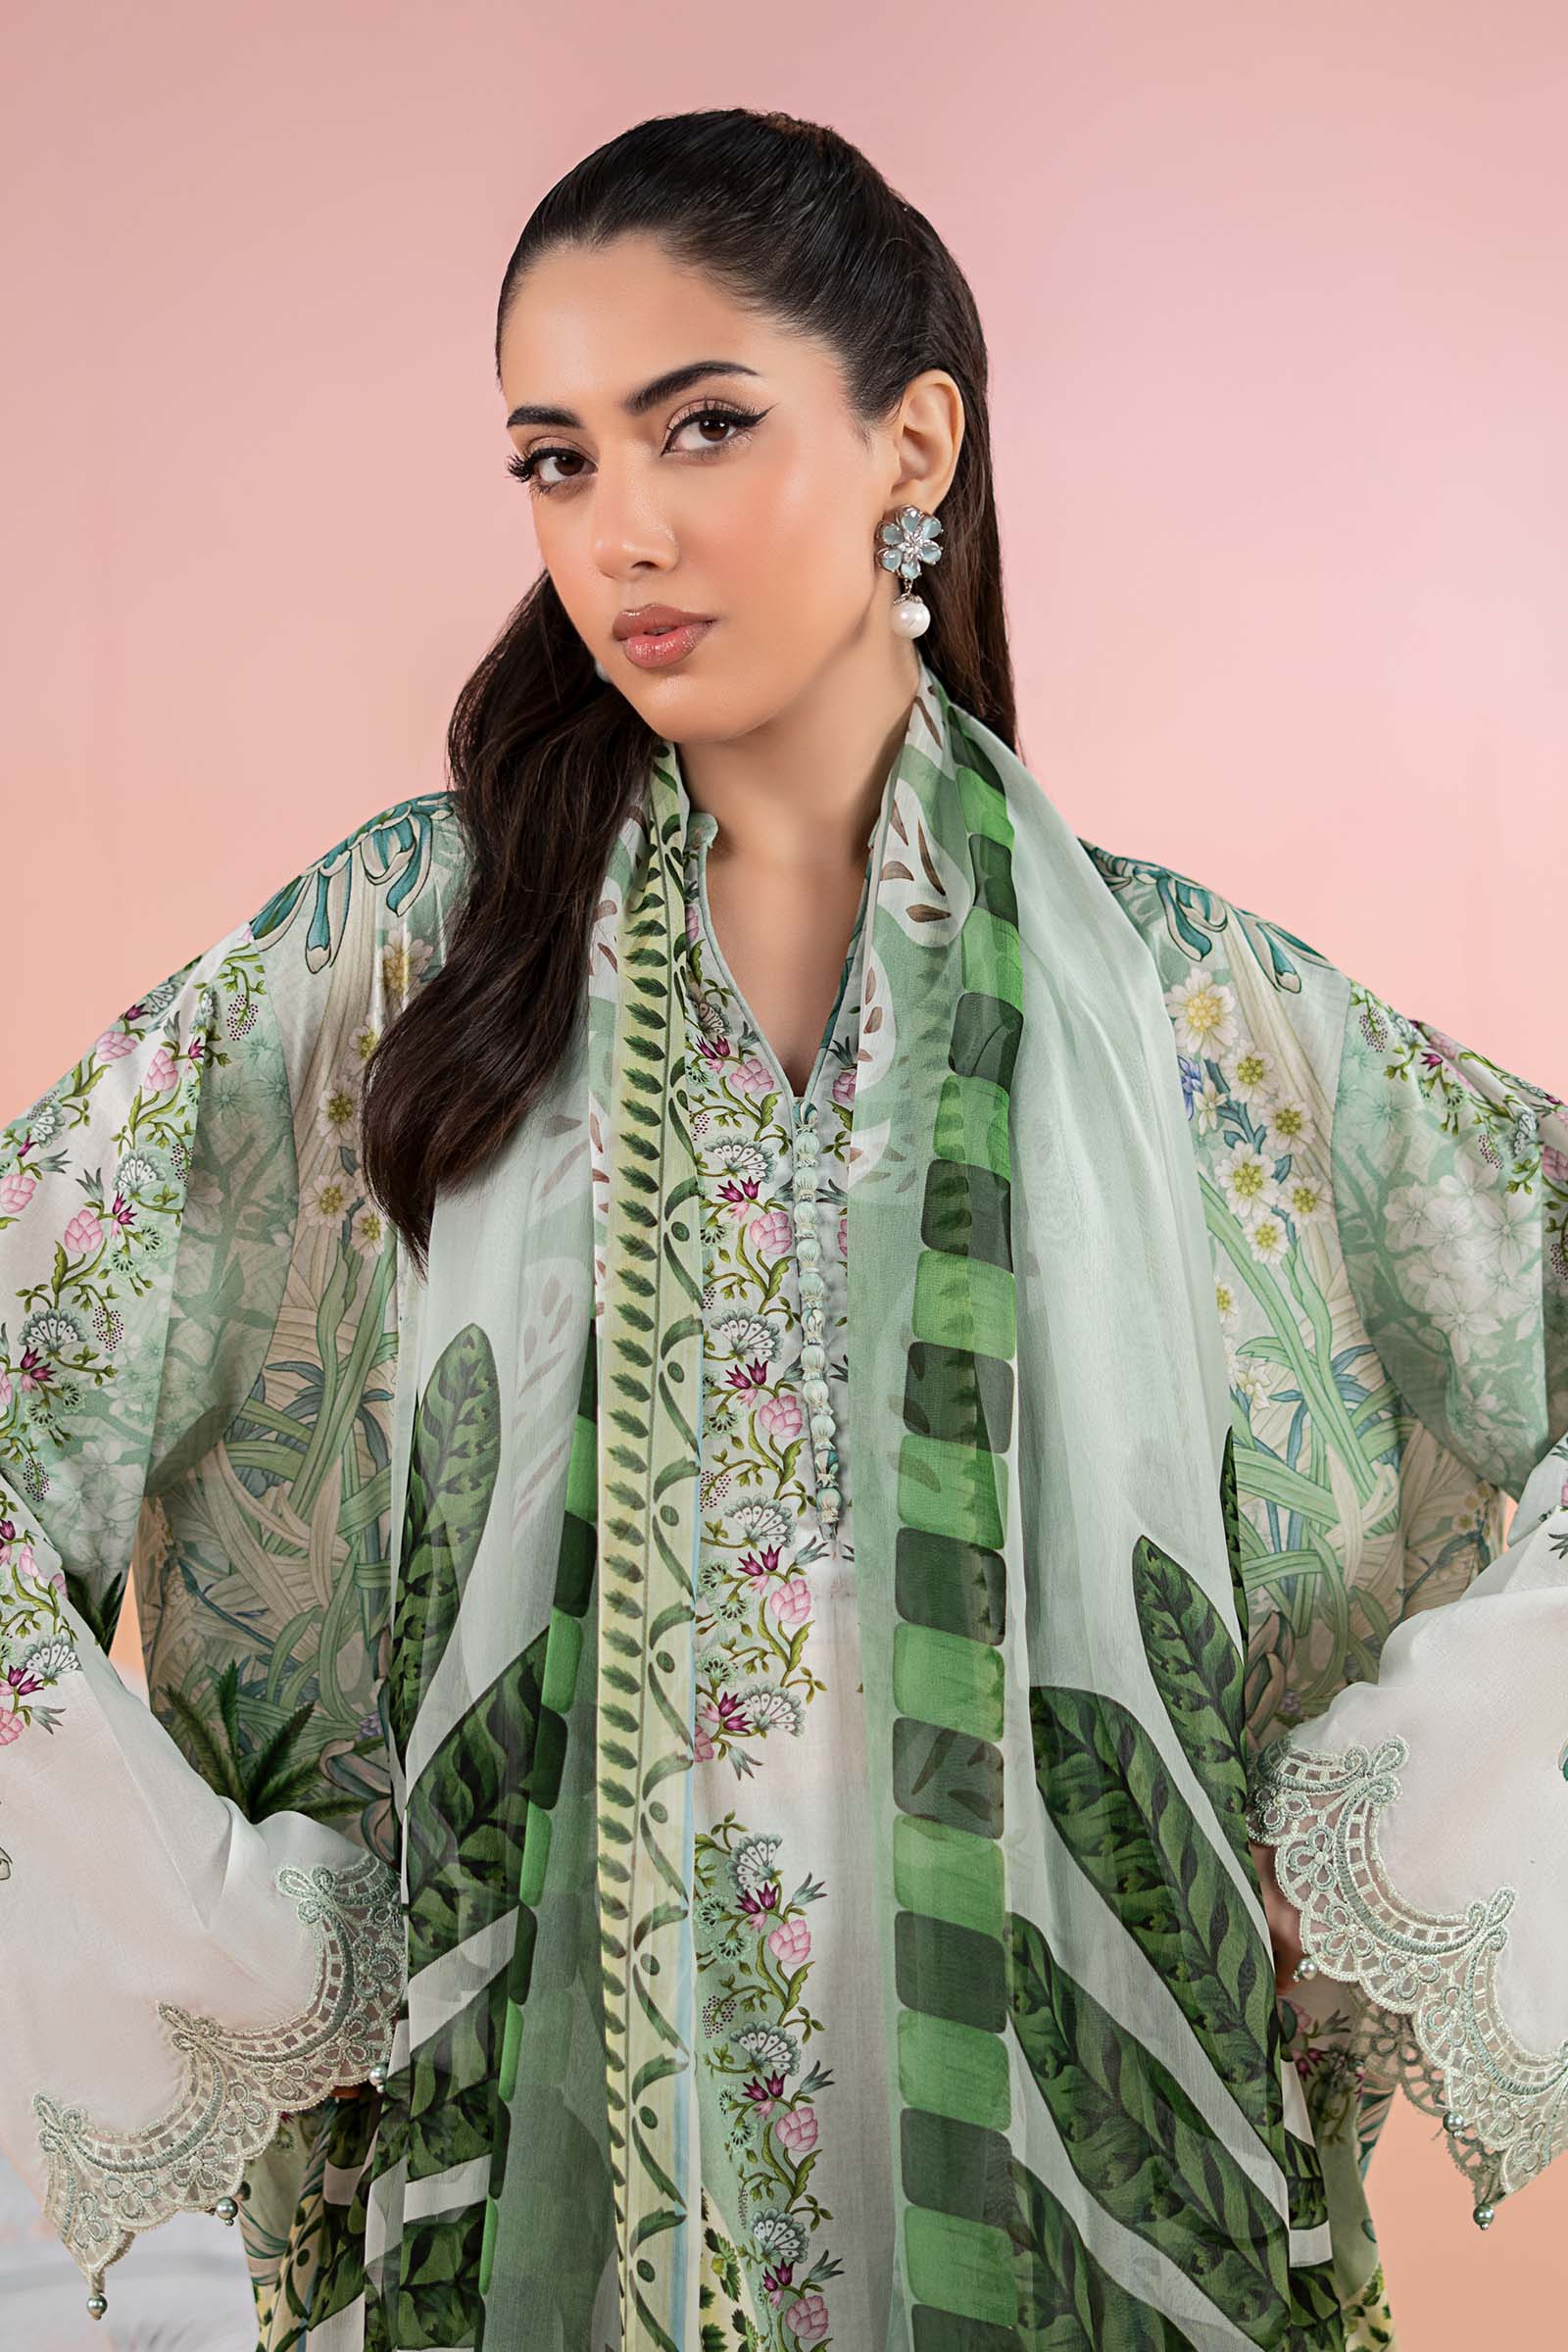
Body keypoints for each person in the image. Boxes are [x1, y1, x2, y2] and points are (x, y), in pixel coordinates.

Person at [2, 104, 1563, 2352]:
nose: (618, 531)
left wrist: (1381, 1831)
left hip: (1064, 2192)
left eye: (701, 426)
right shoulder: (404, 965)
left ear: (911, 444)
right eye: (553, 460)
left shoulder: (1190, 1016)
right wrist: (228, 1949)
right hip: (545, 2203)